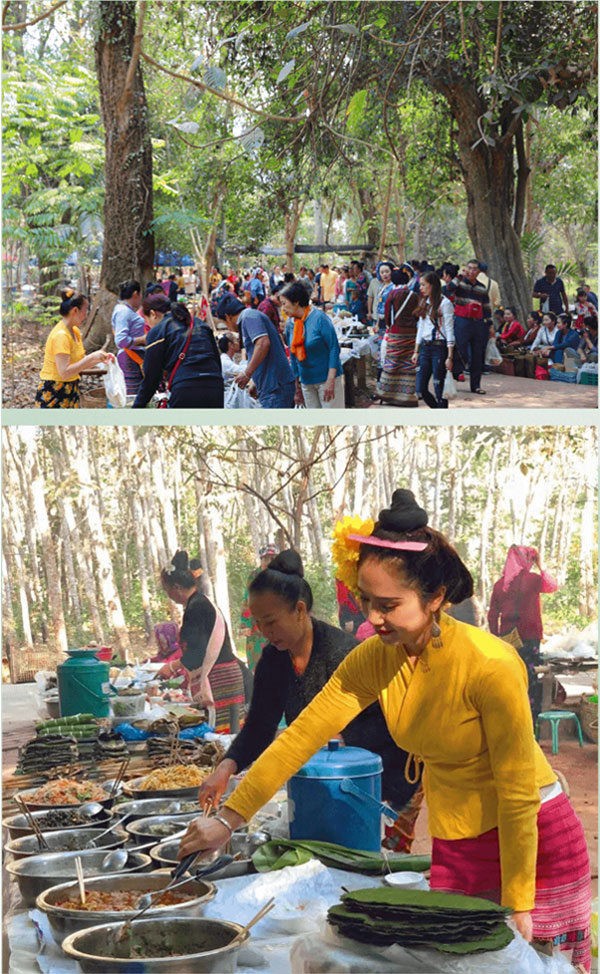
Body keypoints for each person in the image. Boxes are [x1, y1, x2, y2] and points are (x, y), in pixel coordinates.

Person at [179, 489, 592, 972]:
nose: (372, 618)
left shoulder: (490, 665)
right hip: (460, 839)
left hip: (533, 840)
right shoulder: (379, 656)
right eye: (366, 600)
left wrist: (521, 903)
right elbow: (302, 734)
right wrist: (228, 819)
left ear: (435, 597)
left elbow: (519, 793)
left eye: (389, 605)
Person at [198, 549, 424, 854]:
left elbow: (389, 725)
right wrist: (227, 766)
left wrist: (339, 737)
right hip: (325, 781)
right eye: (259, 624)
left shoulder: (344, 654)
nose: (265, 633)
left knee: (375, 861)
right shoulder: (273, 661)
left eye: (271, 622)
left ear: (300, 610)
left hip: (384, 783)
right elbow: (261, 727)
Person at [158, 551, 245, 733]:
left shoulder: (196, 607)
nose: (169, 596)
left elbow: (196, 652)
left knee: (223, 735)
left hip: (219, 676)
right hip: (226, 672)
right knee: (231, 731)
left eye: (168, 591)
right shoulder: (200, 602)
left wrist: (172, 667)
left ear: (177, 588)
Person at [488, 546, 558, 722]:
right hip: (530, 636)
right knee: (530, 676)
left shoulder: (499, 585)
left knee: (510, 675)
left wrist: (497, 637)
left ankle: (509, 716)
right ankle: (530, 720)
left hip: (507, 639)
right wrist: (541, 566)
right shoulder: (533, 580)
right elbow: (552, 586)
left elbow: (492, 615)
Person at [132, 302, 224, 408]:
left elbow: (151, 379)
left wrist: (137, 408)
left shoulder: (158, 331)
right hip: (215, 386)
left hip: (185, 388)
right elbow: (217, 360)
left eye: (146, 321)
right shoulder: (201, 325)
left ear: (153, 314)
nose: (147, 326)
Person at [216, 294, 296, 408]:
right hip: (269, 387)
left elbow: (263, 343)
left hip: (275, 387)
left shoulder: (249, 316)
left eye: (225, 323)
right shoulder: (249, 318)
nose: (228, 328)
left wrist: (247, 374)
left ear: (228, 316)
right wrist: (255, 383)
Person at [35, 290, 112, 408]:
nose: (86, 316)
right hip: (54, 392)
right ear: (75, 310)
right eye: (85, 311)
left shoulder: (74, 331)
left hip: (71, 389)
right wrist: (91, 357)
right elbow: (64, 373)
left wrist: (100, 359)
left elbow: (78, 364)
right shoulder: (61, 335)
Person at [281, 281, 344, 408]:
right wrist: (297, 387)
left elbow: (334, 348)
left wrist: (330, 380)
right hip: (306, 382)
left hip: (326, 379)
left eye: (284, 303)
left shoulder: (319, 318)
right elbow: (293, 356)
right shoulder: (290, 324)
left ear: (296, 302)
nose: (283, 308)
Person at [445, 260, 493, 394]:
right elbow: (447, 289)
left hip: (478, 323)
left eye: (474, 269)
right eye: (469, 268)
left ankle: (476, 385)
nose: (471, 271)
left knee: (478, 354)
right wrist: (459, 276)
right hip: (462, 321)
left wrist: (490, 326)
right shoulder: (460, 283)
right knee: (460, 350)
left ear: (478, 272)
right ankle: (454, 374)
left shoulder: (482, 288)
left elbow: (487, 307)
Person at [376, 269, 420, 406]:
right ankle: (407, 396)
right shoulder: (413, 295)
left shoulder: (392, 294)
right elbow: (417, 314)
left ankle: (387, 394)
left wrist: (389, 327)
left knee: (392, 363)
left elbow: (388, 315)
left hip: (396, 333)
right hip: (411, 334)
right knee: (408, 364)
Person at [413, 271, 455, 409]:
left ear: (432, 286)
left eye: (423, 285)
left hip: (439, 347)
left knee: (439, 387)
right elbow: (421, 327)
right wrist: (416, 351)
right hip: (425, 348)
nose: (421, 288)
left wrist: (450, 356)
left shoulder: (445, 303)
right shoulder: (424, 302)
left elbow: (449, 330)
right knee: (421, 388)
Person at [240, 544, 279, 672]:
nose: (270, 562)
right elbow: (247, 599)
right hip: (257, 626)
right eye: (267, 558)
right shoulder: (255, 576)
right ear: (261, 560)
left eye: (273, 558)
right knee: (258, 662)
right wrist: (245, 624)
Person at [111, 280, 146, 399]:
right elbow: (121, 340)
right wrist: (141, 340)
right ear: (135, 294)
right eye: (140, 295)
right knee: (132, 396)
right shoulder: (123, 312)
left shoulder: (122, 309)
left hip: (132, 357)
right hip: (130, 358)